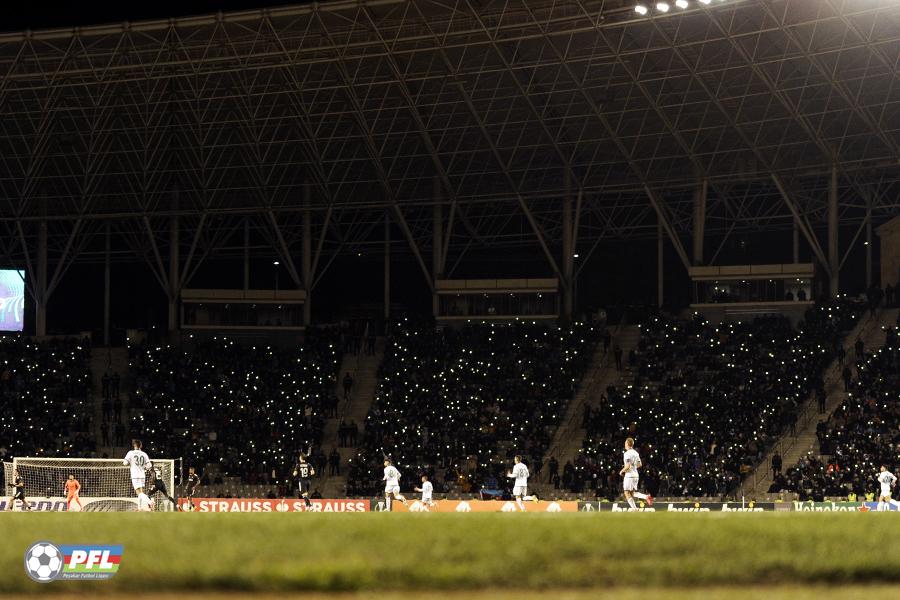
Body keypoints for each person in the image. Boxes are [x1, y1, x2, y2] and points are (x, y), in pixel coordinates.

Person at [620, 437, 653, 510]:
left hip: (629, 476)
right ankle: (646, 497)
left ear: (627, 444)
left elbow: (628, 466)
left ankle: (635, 509)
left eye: (625, 443)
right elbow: (640, 464)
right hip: (635, 475)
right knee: (632, 493)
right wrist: (632, 466)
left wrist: (622, 471)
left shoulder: (627, 453)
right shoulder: (636, 453)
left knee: (626, 492)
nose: (624, 444)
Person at [123, 439, 153, 511]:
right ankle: (139, 508)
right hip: (142, 475)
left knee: (139, 493)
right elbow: (149, 465)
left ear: (134, 445)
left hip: (135, 475)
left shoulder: (130, 453)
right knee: (141, 493)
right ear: (141, 446)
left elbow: (125, 463)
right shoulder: (144, 454)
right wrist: (143, 467)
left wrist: (130, 462)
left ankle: (150, 502)